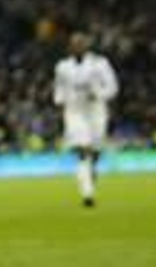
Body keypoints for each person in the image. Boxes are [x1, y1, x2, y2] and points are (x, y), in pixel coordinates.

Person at [53, 31, 119, 207]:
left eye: (80, 43)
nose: (77, 47)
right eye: (74, 44)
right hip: (75, 112)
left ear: (86, 46)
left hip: (96, 111)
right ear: (70, 47)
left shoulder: (100, 64)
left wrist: (99, 95)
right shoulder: (62, 67)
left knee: (95, 153)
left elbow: (113, 87)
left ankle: (89, 178)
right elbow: (59, 89)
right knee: (82, 150)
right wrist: (59, 101)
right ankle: (87, 194)